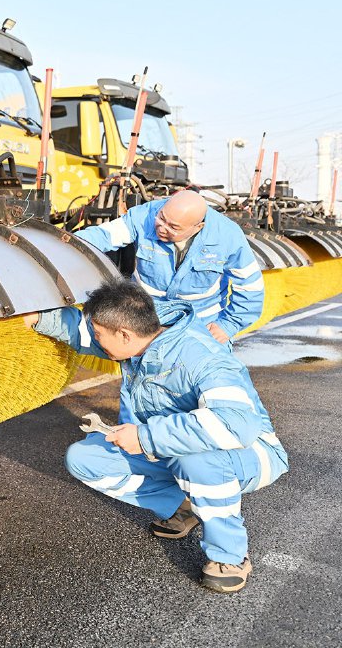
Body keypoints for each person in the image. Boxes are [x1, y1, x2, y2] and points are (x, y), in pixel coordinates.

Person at [24, 280, 288, 593]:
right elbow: (83, 330)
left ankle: (229, 556)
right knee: (84, 459)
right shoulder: (141, 330)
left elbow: (235, 424)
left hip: (250, 452)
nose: (95, 340)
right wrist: (37, 319)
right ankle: (182, 505)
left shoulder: (203, 357)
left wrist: (145, 437)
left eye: (100, 334)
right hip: (172, 447)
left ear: (124, 334)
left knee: (196, 463)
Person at [75, 190, 264, 343]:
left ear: (198, 227)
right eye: (161, 218)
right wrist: (67, 244)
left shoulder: (228, 236)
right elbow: (103, 236)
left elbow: (250, 287)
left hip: (202, 325)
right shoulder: (144, 215)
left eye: (173, 227)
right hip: (147, 319)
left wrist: (228, 326)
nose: (162, 227)